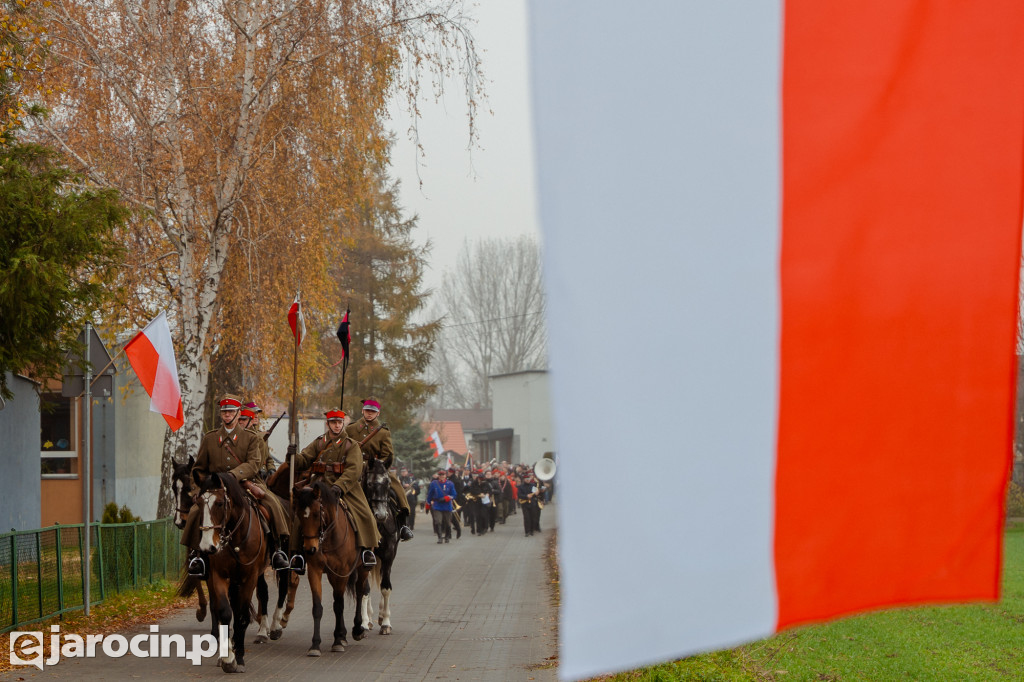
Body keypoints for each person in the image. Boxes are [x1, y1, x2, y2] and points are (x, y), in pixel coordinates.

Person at [181, 394, 290, 576]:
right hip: (215, 487)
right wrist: (197, 489)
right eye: (224, 412)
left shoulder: (250, 437)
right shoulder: (210, 439)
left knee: (272, 505)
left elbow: (254, 463)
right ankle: (196, 555)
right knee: (194, 512)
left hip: (246, 483)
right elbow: (198, 469)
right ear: (221, 414)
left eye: (231, 411)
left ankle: (277, 550)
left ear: (239, 413)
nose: (227, 415)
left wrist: (232, 476)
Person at [288, 410, 381, 571]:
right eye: (333, 422)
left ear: (343, 423)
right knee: (302, 514)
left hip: (343, 487)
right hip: (318, 486)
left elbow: (354, 470)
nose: (337, 425)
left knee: (364, 514)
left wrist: (340, 486)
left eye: (339, 422)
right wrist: (293, 456)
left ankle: (367, 550)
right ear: (328, 424)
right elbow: (304, 460)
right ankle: (297, 554)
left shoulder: (350, 445)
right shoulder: (319, 442)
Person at [345, 397, 414, 541]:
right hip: (353, 467)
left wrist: (378, 466)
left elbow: (388, 454)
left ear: (378, 413)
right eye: (367, 410)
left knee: (396, 487)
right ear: (362, 411)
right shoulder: (350, 429)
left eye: (373, 411)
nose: (369, 413)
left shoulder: (383, 432)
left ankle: (403, 523)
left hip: (377, 468)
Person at [426, 468, 457, 543]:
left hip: (447, 505)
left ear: (446, 475)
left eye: (443, 475)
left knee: (448, 522)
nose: (442, 476)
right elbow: (430, 494)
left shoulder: (450, 483)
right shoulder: (434, 483)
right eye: (440, 475)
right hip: (437, 505)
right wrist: (428, 503)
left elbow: (454, 494)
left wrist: (447, 498)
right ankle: (439, 537)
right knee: (438, 521)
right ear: (438, 476)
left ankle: (447, 537)